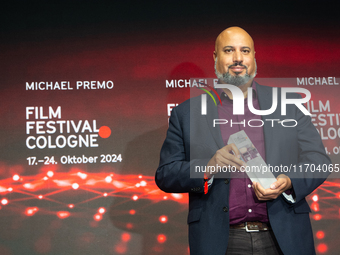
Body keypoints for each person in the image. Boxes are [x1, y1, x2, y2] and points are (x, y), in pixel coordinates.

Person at [155, 27, 331, 255]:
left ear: (254, 57)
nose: (238, 58)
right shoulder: (187, 114)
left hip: (284, 237)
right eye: (229, 50)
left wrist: (288, 181)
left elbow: (318, 161)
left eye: (245, 51)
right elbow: (166, 174)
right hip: (221, 241)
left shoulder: (288, 105)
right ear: (215, 58)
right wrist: (207, 167)